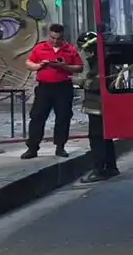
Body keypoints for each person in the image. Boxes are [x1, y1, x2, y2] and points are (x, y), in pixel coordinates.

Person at [22, 23, 82, 159]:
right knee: (37, 116)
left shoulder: (70, 50)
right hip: (44, 88)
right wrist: (39, 65)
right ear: (49, 36)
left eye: (58, 39)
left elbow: (79, 67)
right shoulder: (40, 48)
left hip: (63, 87)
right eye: (52, 38)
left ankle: (60, 147)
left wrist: (64, 66)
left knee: (63, 117)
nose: (55, 41)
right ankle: (32, 148)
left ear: (63, 37)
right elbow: (28, 63)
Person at [78, 31, 118, 184]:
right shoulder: (105, 59)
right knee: (106, 137)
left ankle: (100, 170)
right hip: (100, 105)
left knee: (97, 138)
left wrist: (82, 82)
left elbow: (100, 83)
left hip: (98, 106)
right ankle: (111, 167)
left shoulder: (99, 62)